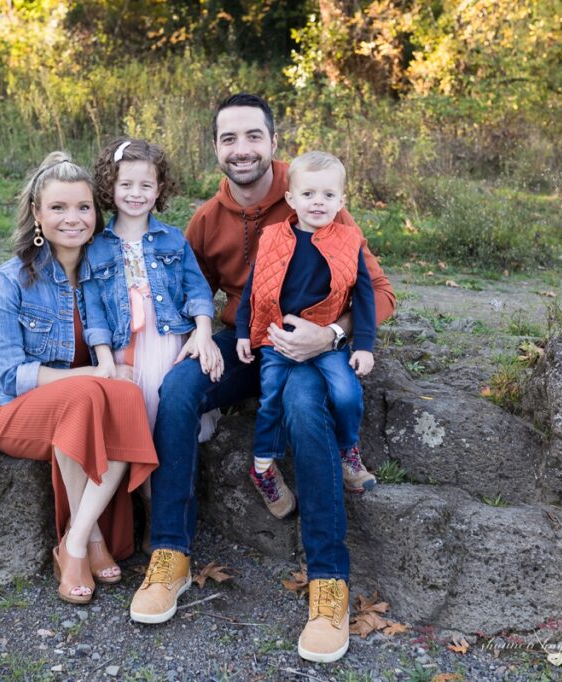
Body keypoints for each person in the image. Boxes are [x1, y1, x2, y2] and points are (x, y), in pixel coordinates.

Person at [130, 94, 396, 664]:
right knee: (178, 389)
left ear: (274, 142)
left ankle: (328, 581)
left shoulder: (314, 197)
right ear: (216, 149)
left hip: (307, 347)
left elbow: (381, 291)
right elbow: (187, 293)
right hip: (243, 342)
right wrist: (201, 333)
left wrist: (332, 335)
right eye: (229, 138)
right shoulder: (208, 219)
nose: (241, 149)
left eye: (253, 135)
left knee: (304, 409)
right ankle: (170, 554)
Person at [0, 152, 157, 605]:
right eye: (58, 208)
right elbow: (10, 375)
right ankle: (89, 540)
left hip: (84, 403)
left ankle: (76, 540)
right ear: (37, 214)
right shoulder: (9, 281)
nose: (73, 218)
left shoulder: (107, 274)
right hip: (14, 410)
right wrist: (91, 373)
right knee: (87, 393)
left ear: (96, 213)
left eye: (83, 207)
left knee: (126, 394)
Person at [81, 137, 223, 547]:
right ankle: (142, 516)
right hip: (123, 353)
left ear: (159, 189)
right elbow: (93, 310)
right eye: (126, 184)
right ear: (110, 186)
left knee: (166, 436)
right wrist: (104, 360)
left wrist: (202, 331)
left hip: (168, 347)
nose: (136, 194)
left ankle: (162, 523)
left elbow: (198, 290)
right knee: (134, 440)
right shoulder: (96, 247)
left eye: (146, 185)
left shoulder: (173, 240)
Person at [235, 150, 377, 520]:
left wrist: (363, 345)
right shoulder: (272, 238)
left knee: (346, 391)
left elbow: (365, 295)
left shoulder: (349, 241)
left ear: (341, 202)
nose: (318, 202)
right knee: (271, 400)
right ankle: (263, 468)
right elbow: (254, 289)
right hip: (277, 339)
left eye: (328, 195)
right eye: (309, 194)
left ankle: (348, 449)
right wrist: (242, 332)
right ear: (291, 199)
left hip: (326, 340)